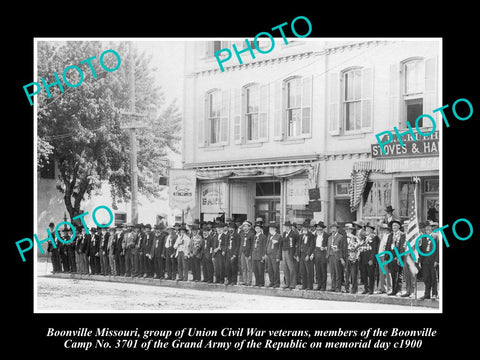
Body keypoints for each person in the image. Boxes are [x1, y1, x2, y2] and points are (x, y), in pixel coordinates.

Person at [419, 220, 439, 300]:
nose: (427, 229)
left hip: (433, 260)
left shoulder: (436, 236)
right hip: (425, 261)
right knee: (426, 278)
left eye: (429, 227)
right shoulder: (423, 237)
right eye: (426, 228)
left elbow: (438, 249)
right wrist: (420, 260)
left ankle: (434, 294)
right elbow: (421, 250)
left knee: (433, 277)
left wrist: (436, 260)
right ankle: (427, 294)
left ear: (432, 228)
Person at [359, 222, 380, 294]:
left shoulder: (375, 237)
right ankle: (366, 288)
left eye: (369, 228)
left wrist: (372, 259)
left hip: (370, 259)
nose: (367, 229)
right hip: (363, 258)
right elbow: (361, 248)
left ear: (372, 229)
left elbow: (374, 249)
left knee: (371, 274)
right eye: (366, 228)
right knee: (364, 274)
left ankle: (371, 289)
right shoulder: (364, 238)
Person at [386, 220, 404, 296]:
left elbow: (402, 247)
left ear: (399, 226)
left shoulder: (402, 235)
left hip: (398, 256)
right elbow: (387, 246)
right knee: (393, 274)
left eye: (396, 226)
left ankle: (399, 290)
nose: (394, 227)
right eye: (393, 226)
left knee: (399, 274)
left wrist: (399, 257)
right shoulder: (390, 235)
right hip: (391, 256)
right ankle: (393, 290)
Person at [327, 222, 346, 292]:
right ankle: (333, 287)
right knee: (332, 272)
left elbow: (342, 247)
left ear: (337, 229)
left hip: (337, 256)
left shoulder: (340, 237)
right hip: (330, 255)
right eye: (332, 228)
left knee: (338, 272)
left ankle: (338, 287)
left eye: (334, 228)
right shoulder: (329, 237)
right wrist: (327, 255)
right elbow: (328, 247)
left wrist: (338, 250)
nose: (333, 230)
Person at [280, 220, 298, 290]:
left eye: (287, 226)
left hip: (290, 252)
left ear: (290, 227)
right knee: (285, 268)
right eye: (285, 226)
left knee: (291, 268)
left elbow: (297, 244)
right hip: (284, 251)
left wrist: (295, 253)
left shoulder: (294, 234)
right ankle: (287, 283)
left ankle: (293, 283)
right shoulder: (284, 233)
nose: (286, 228)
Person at [297, 220, 315, 290]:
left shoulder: (311, 236)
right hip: (301, 254)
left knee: (309, 271)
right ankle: (304, 285)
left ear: (308, 229)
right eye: (303, 228)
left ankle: (309, 286)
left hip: (307, 255)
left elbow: (312, 246)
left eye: (306, 228)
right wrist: (297, 255)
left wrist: (308, 254)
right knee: (302, 271)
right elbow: (298, 246)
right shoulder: (301, 236)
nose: (304, 229)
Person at [375, 223, 392, 294]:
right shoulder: (383, 236)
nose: (384, 231)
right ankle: (382, 288)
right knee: (382, 272)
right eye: (382, 229)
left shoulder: (390, 236)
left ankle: (389, 288)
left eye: (385, 229)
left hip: (385, 255)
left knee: (387, 272)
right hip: (380, 255)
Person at [344, 223, 360, 294]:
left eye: (349, 229)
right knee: (346, 274)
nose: (348, 231)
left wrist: (356, 257)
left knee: (353, 274)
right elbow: (342, 248)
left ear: (351, 230)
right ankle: (346, 288)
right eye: (347, 229)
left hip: (353, 258)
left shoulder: (355, 238)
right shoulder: (343, 238)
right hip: (346, 257)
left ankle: (354, 289)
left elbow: (359, 248)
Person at [312, 221, 328, 291]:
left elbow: (329, 245)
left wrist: (325, 248)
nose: (318, 230)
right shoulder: (315, 236)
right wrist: (312, 253)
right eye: (317, 228)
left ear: (323, 229)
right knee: (318, 270)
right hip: (316, 252)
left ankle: (323, 286)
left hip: (323, 253)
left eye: (320, 229)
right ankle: (319, 285)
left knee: (323, 271)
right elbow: (313, 245)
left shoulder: (326, 236)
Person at [265, 222, 281, 288]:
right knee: (270, 269)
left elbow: (279, 247)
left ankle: (276, 283)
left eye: (271, 228)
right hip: (269, 255)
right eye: (269, 228)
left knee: (275, 269)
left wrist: (278, 256)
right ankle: (272, 281)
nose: (270, 230)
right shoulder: (269, 236)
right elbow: (267, 245)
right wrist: (266, 253)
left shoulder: (278, 236)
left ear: (274, 229)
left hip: (274, 255)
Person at [239, 220, 254, 286]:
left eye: (246, 226)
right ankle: (244, 280)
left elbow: (252, 246)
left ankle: (249, 281)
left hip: (248, 253)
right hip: (242, 252)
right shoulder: (241, 234)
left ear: (249, 227)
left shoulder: (251, 234)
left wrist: (250, 254)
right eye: (244, 226)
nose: (245, 227)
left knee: (249, 268)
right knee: (243, 267)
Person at [252, 221, 267, 287]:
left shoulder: (263, 236)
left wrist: (263, 255)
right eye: (256, 228)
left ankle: (261, 282)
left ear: (261, 229)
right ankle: (257, 282)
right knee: (255, 270)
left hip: (260, 255)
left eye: (258, 228)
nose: (257, 229)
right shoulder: (254, 236)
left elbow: (264, 246)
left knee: (261, 270)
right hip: (255, 255)